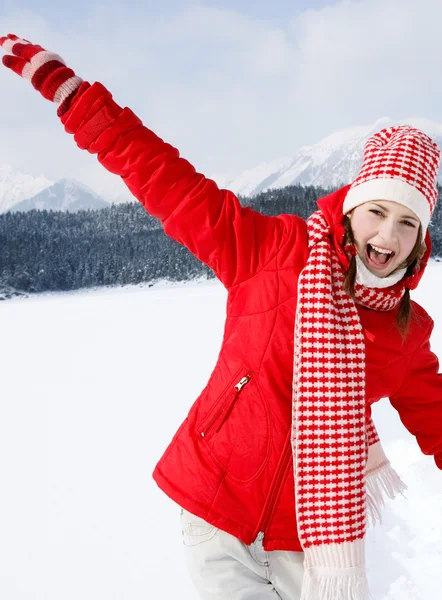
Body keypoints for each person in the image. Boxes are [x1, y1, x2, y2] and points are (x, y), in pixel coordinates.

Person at [1, 33, 441, 600]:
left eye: (408, 222)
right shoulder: (271, 250)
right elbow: (169, 183)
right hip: (216, 508)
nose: (387, 235)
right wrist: (76, 99)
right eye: (377, 211)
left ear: (422, 238)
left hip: (309, 540)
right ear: (352, 208)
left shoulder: (408, 332)